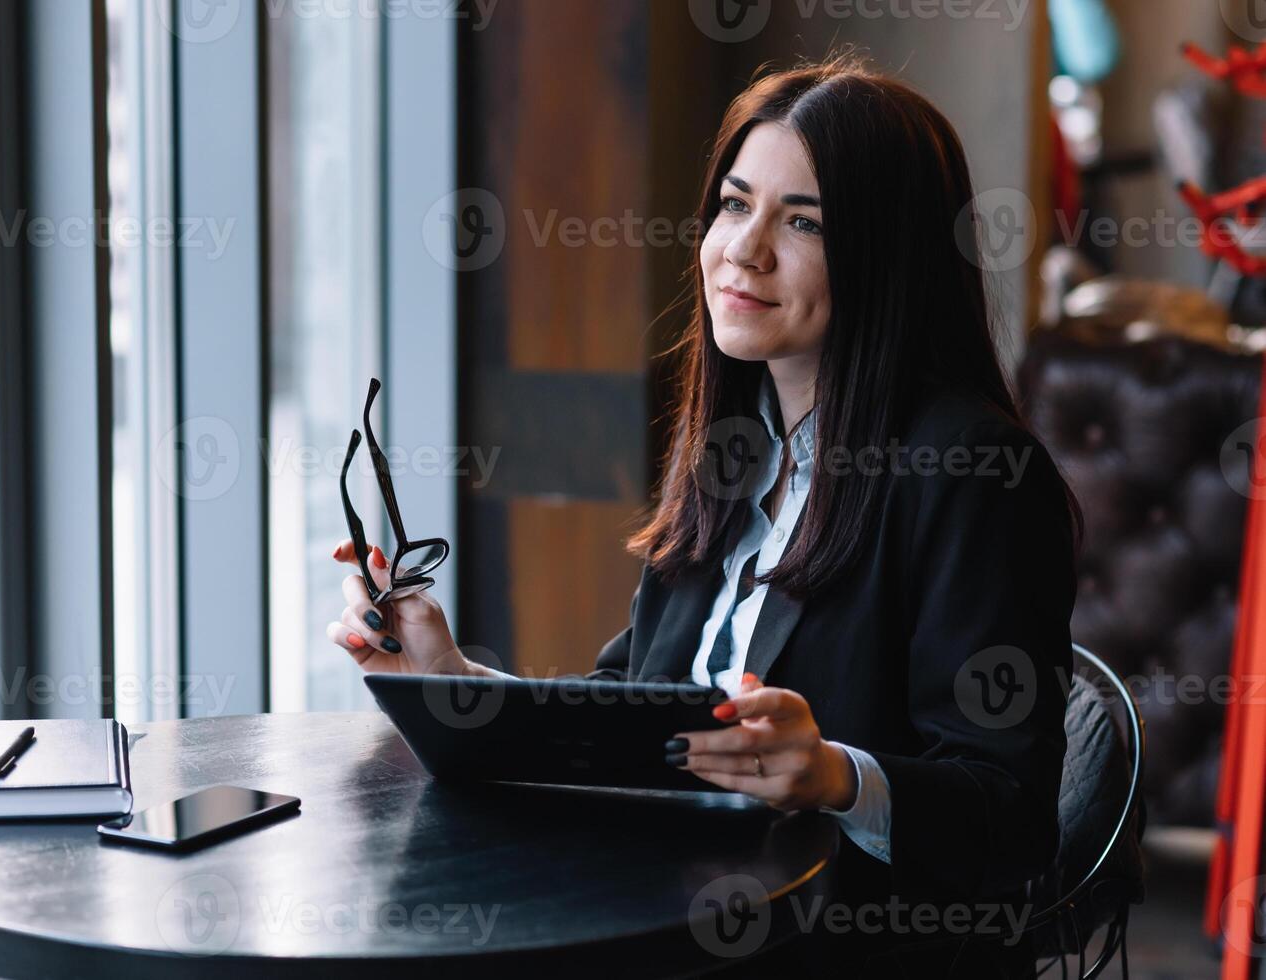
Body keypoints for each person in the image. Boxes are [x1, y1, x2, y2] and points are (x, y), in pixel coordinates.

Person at [326, 55, 1080, 977]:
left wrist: (836, 776)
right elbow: (629, 713)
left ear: (892, 255)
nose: (744, 249)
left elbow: (1010, 821)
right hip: (671, 923)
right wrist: (448, 678)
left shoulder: (975, 476)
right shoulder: (733, 447)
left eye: (802, 221)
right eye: (734, 204)